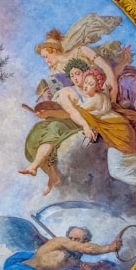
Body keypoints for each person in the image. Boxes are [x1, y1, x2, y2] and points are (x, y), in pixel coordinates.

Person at [56, 68, 136, 208]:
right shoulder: (99, 96)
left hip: (118, 132)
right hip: (121, 130)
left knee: (116, 170)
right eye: (86, 82)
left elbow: (75, 111)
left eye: (90, 84)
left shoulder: (94, 100)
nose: (85, 86)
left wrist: (65, 102)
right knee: (124, 165)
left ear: (98, 86)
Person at [19, 57, 89, 194]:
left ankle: (34, 166)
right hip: (62, 118)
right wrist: (46, 108)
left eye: (78, 74)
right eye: (72, 75)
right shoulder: (67, 91)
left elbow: (71, 114)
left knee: (54, 128)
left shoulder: (90, 91)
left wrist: (50, 112)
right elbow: (60, 108)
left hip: (74, 123)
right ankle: (52, 175)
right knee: (35, 134)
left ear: (85, 73)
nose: (75, 77)